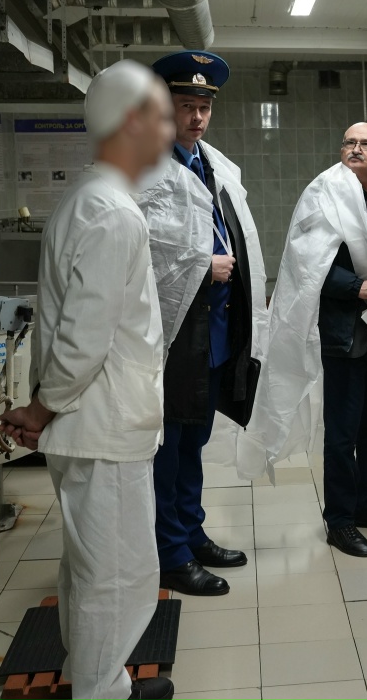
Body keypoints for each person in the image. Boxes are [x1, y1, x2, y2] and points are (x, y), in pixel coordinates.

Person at [0, 60, 175, 700]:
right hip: (103, 424)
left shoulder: (88, 199)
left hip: (91, 422)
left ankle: (99, 679)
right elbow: (85, 337)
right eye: (159, 117)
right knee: (120, 574)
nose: (169, 131)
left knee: (90, 565)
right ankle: (102, 692)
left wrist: (46, 406)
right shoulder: (112, 214)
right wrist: (43, 408)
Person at [236, 122, 367, 558]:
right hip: (346, 334)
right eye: (349, 142)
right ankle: (340, 521)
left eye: (366, 144)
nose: (356, 148)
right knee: (342, 432)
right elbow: (307, 266)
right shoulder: (322, 194)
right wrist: (357, 287)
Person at [137, 50, 267, 597]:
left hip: (213, 334)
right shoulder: (145, 168)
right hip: (173, 336)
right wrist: (201, 265)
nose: (196, 117)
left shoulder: (212, 165)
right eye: (186, 106)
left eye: (203, 107)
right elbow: (139, 252)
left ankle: (190, 533)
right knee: (167, 449)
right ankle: (169, 553)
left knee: (194, 441)